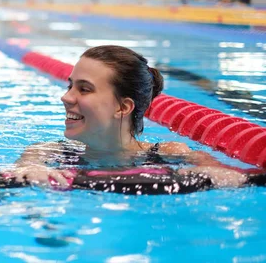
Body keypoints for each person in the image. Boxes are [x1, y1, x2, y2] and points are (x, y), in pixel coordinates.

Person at [15, 45, 248, 188]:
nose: (65, 98)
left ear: (123, 107)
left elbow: (222, 174)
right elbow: (25, 167)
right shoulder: (45, 153)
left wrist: (211, 174)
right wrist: (30, 172)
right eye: (70, 86)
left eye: (84, 89)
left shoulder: (170, 154)